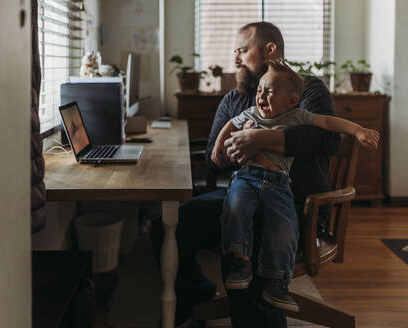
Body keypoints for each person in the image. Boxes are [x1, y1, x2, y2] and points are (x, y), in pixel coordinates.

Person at [151, 21, 342, 328]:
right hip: (243, 194)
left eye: (242, 50)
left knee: (248, 242)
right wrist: (239, 146)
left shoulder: (306, 88)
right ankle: (196, 294)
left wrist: (263, 139)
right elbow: (215, 158)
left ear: (269, 50)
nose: (236, 59)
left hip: (296, 202)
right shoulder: (235, 101)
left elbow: (328, 139)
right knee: (168, 225)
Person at [212, 59, 378, 313]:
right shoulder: (250, 114)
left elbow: (329, 125)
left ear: (291, 101)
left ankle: (277, 284)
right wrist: (219, 147)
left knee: (285, 226)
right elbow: (229, 125)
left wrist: (358, 130)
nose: (261, 96)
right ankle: (240, 262)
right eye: (259, 91)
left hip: (279, 184)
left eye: (269, 92)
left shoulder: (298, 117)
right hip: (247, 178)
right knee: (235, 208)